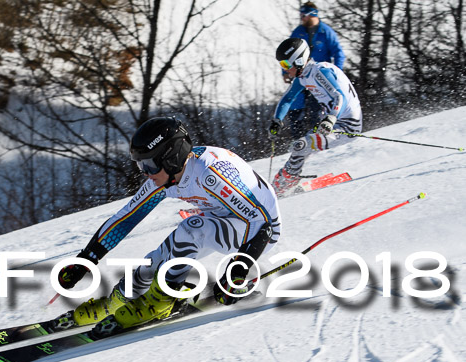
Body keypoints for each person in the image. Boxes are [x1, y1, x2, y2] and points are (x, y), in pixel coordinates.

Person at [49, 117, 282, 339]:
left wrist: (237, 272)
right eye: (141, 165)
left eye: (149, 165)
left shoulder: (210, 173)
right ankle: (115, 304)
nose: (145, 173)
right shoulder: (166, 177)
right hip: (223, 217)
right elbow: (126, 219)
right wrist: (86, 259)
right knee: (152, 264)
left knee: (191, 228)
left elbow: (262, 223)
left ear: (171, 157)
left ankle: (162, 300)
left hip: (256, 231)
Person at [269, 37, 362, 196]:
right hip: (333, 122)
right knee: (302, 146)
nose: (285, 70)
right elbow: (288, 98)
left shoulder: (320, 71)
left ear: (298, 60)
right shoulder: (304, 76)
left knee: (301, 146)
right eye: (281, 65)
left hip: (347, 126)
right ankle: (287, 178)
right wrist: (277, 120)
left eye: (285, 64)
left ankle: (285, 183)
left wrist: (331, 118)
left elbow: (339, 97)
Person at [283, 2, 346, 139]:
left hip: (319, 77)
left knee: (316, 109)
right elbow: (287, 52)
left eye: (304, 15)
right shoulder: (298, 32)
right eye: (301, 15)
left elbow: (338, 53)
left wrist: (336, 72)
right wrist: (285, 72)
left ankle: (319, 137)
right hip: (301, 75)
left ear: (313, 14)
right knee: (295, 107)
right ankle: (297, 140)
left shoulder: (326, 32)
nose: (302, 18)